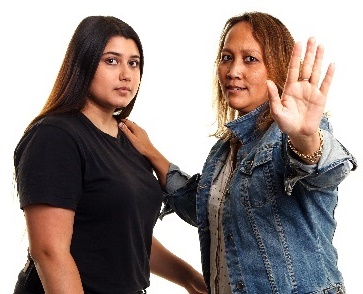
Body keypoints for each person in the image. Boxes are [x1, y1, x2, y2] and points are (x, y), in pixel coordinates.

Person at [119, 11, 358, 294]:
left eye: (250, 59)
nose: (233, 71)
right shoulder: (223, 151)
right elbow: (210, 210)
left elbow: (323, 171)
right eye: (226, 57)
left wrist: (305, 138)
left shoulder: (291, 136)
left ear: (277, 68)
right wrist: (151, 153)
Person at [13, 15, 207, 294]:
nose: (126, 74)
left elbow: (128, 236)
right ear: (84, 64)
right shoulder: (55, 137)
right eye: (111, 61)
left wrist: (189, 279)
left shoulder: (128, 139)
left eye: (134, 63)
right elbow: (49, 252)